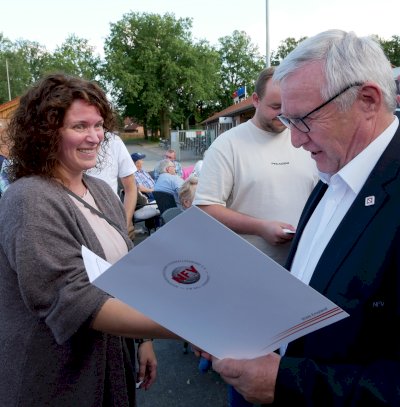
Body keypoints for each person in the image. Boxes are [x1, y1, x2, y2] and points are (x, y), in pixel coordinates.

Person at [211, 29, 400, 406]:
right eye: (287, 121)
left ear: (367, 100)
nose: (295, 141)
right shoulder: (332, 174)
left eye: (304, 120)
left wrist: (287, 383)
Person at [0, 73, 178, 407]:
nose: (95, 137)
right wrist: (189, 326)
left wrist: (145, 340)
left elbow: (128, 274)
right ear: (45, 132)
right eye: (80, 126)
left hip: (111, 365)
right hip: (57, 380)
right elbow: (71, 300)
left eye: (99, 126)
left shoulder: (99, 189)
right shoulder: (28, 199)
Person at [193, 66, 318, 266]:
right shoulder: (227, 145)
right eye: (276, 106)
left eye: (289, 106)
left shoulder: (307, 139)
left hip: (304, 262)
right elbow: (205, 207)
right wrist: (260, 227)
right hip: (248, 266)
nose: (284, 114)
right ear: (256, 100)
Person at [87, 133, 137, 239]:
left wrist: (126, 223)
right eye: (79, 126)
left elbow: (131, 188)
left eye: (98, 124)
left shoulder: (113, 141)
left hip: (113, 220)